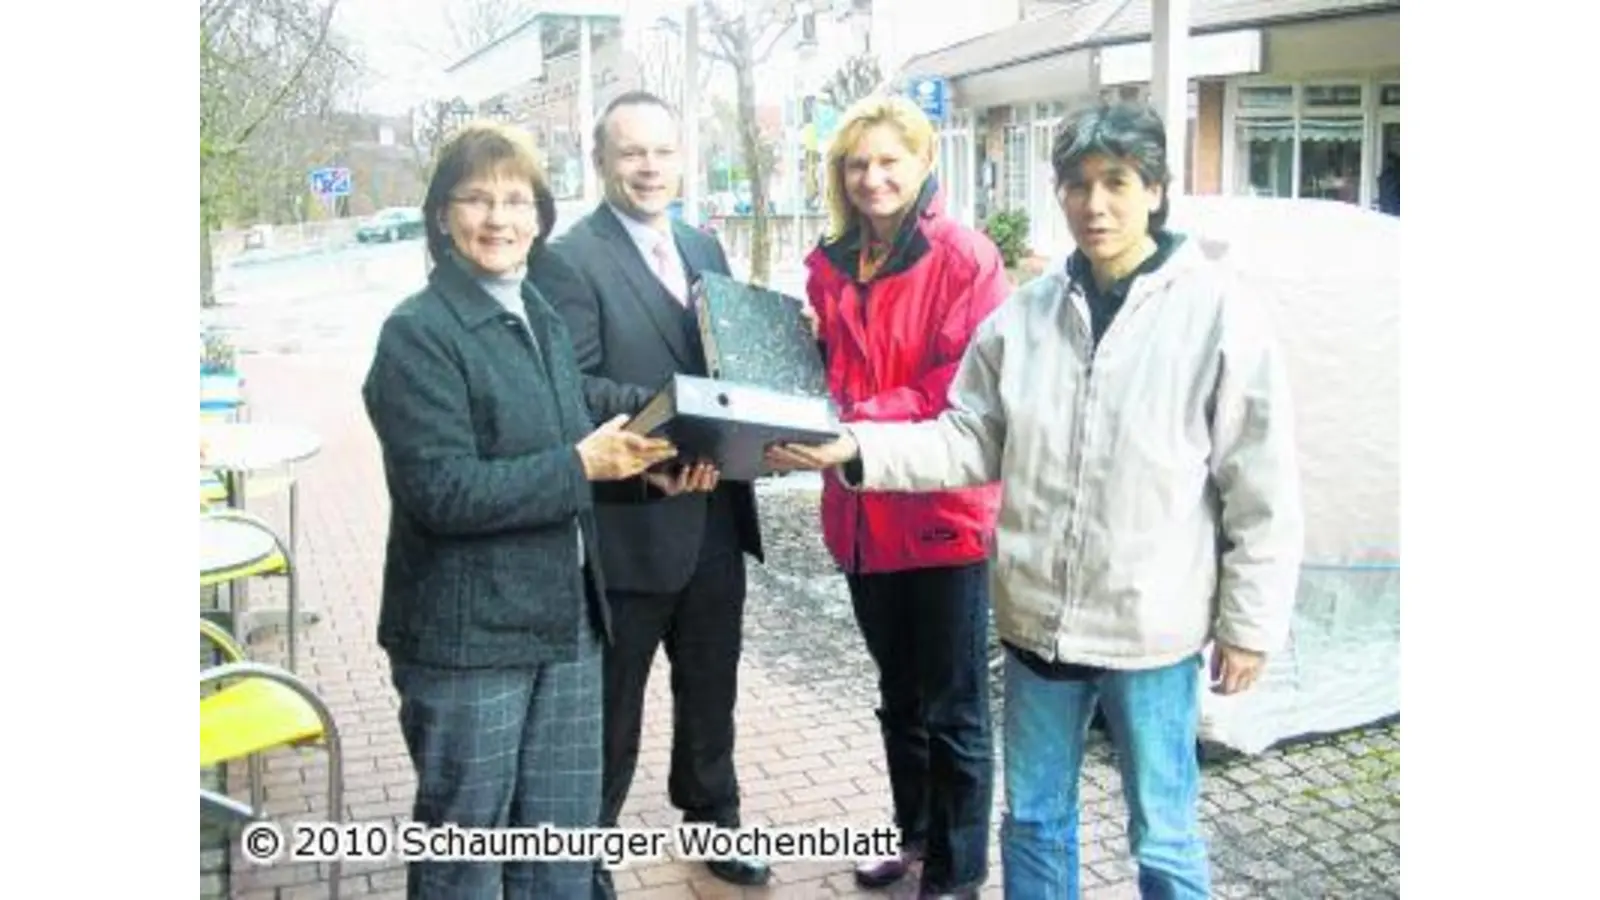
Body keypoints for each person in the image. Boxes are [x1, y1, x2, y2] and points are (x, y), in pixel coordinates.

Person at [769, 102, 1305, 900]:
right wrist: (857, 449)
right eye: (1079, 185)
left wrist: (1249, 625)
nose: (1096, 205)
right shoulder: (1028, 314)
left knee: (1162, 835)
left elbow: (1259, 486)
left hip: (1149, 631)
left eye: (1117, 183)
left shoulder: (1218, 314)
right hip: (1038, 630)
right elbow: (968, 437)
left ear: (1156, 190)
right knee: (1035, 824)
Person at [361, 121, 682, 899]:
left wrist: (653, 452)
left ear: (540, 217)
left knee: (558, 852)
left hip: (567, 624)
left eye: (515, 200)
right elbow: (444, 492)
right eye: (476, 199)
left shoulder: (535, 307)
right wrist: (583, 465)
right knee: (464, 856)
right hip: (469, 637)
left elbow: (578, 418)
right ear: (442, 216)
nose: (498, 219)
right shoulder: (418, 334)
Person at [527, 91, 771, 893]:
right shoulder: (567, 258)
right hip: (630, 520)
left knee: (712, 684)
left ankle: (715, 818)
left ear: (681, 157)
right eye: (631, 152)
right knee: (612, 708)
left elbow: (735, 366)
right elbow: (578, 386)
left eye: (662, 151)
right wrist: (679, 427)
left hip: (713, 510)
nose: (649, 166)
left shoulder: (705, 246)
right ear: (601, 162)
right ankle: (585, 852)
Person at [802, 94, 1006, 900]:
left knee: (953, 708)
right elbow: (819, 367)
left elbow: (957, 384)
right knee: (899, 699)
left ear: (924, 164)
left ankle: (957, 874)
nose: (872, 178)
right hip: (858, 516)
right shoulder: (828, 263)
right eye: (857, 164)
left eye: (889, 161)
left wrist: (854, 425)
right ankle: (916, 840)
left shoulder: (966, 258)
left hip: (940, 515)